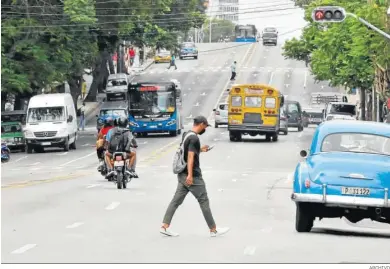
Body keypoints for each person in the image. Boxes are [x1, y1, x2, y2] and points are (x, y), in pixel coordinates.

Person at [160, 115, 230, 237]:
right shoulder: (194, 139)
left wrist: (201, 150)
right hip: (192, 176)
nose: (205, 129)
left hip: (182, 175)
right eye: (205, 126)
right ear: (202, 124)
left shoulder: (186, 134)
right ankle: (213, 230)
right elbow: (191, 157)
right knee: (203, 200)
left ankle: (164, 226)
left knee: (175, 201)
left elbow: (189, 152)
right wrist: (191, 175)